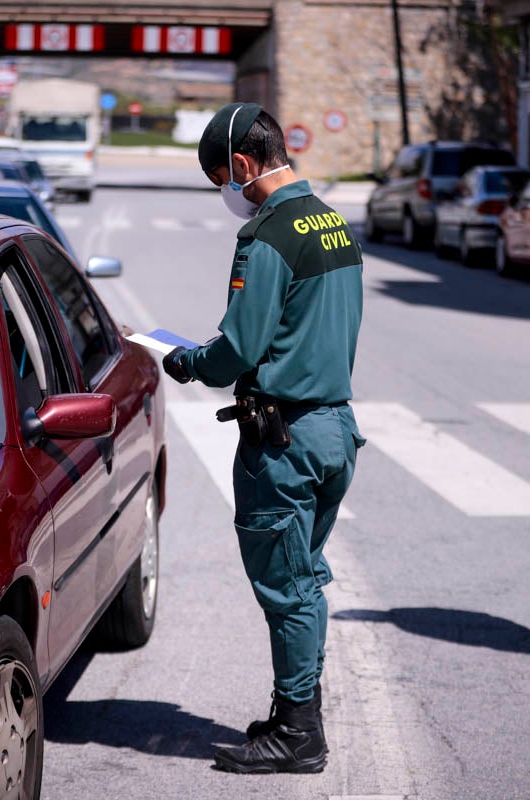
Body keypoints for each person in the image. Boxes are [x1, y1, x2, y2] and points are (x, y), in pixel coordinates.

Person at [161, 101, 365, 772]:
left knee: (291, 590)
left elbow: (239, 349)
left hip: (285, 440)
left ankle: (300, 732)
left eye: (223, 178)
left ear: (242, 165)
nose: (228, 193)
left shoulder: (268, 234)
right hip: (333, 428)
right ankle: (291, 712)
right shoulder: (332, 221)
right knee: (301, 580)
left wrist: (189, 360)